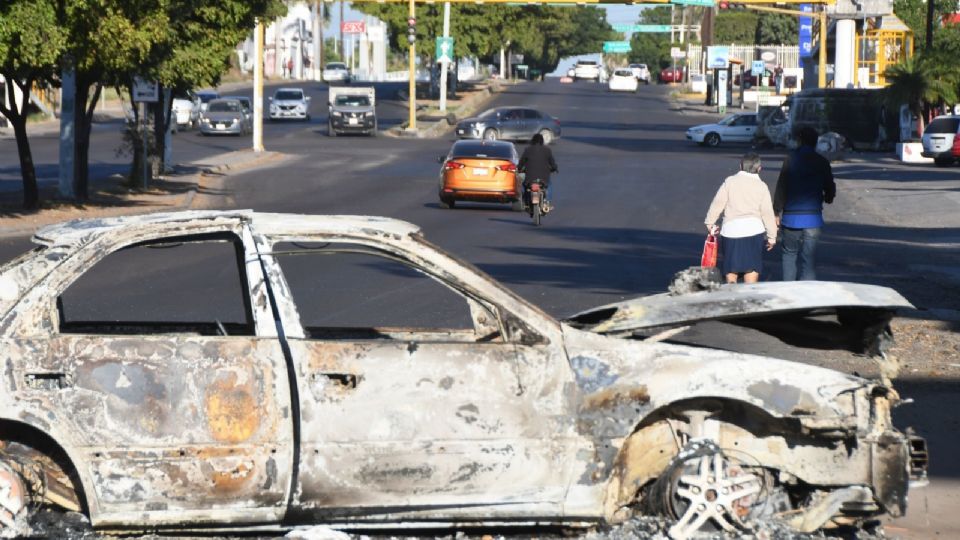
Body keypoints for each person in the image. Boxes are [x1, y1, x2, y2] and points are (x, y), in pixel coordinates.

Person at [704, 152, 778, 284]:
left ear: (740, 166)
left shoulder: (730, 182)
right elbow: (767, 213)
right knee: (752, 268)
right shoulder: (762, 186)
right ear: (759, 169)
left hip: (731, 231)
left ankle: (732, 297)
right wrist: (772, 237)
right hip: (753, 231)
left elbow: (718, 203)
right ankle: (750, 298)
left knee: (731, 269)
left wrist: (710, 223)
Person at [774, 127, 836, 281]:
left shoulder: (790, 159)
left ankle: (788, 291)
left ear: (799, 141)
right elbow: (830, 186)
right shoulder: (822, 162)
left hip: (791, 218)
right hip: (813, 219)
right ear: (815, 143)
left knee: (789, 254)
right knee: (808, 260)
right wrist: (828, 197)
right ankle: (807, 296)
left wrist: (776, 211)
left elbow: (782, 186)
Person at [518, 133, 558, 211]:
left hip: (530, 178)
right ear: (542, 141)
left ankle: (525, 202)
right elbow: (552, 163)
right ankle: (547, 202)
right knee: (549, 185)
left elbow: (521, 162)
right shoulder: (547, 150)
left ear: (533, 141)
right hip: (544, 178)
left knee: (524, 185)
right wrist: (554, 168)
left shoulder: (528, 150)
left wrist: (519, 169)